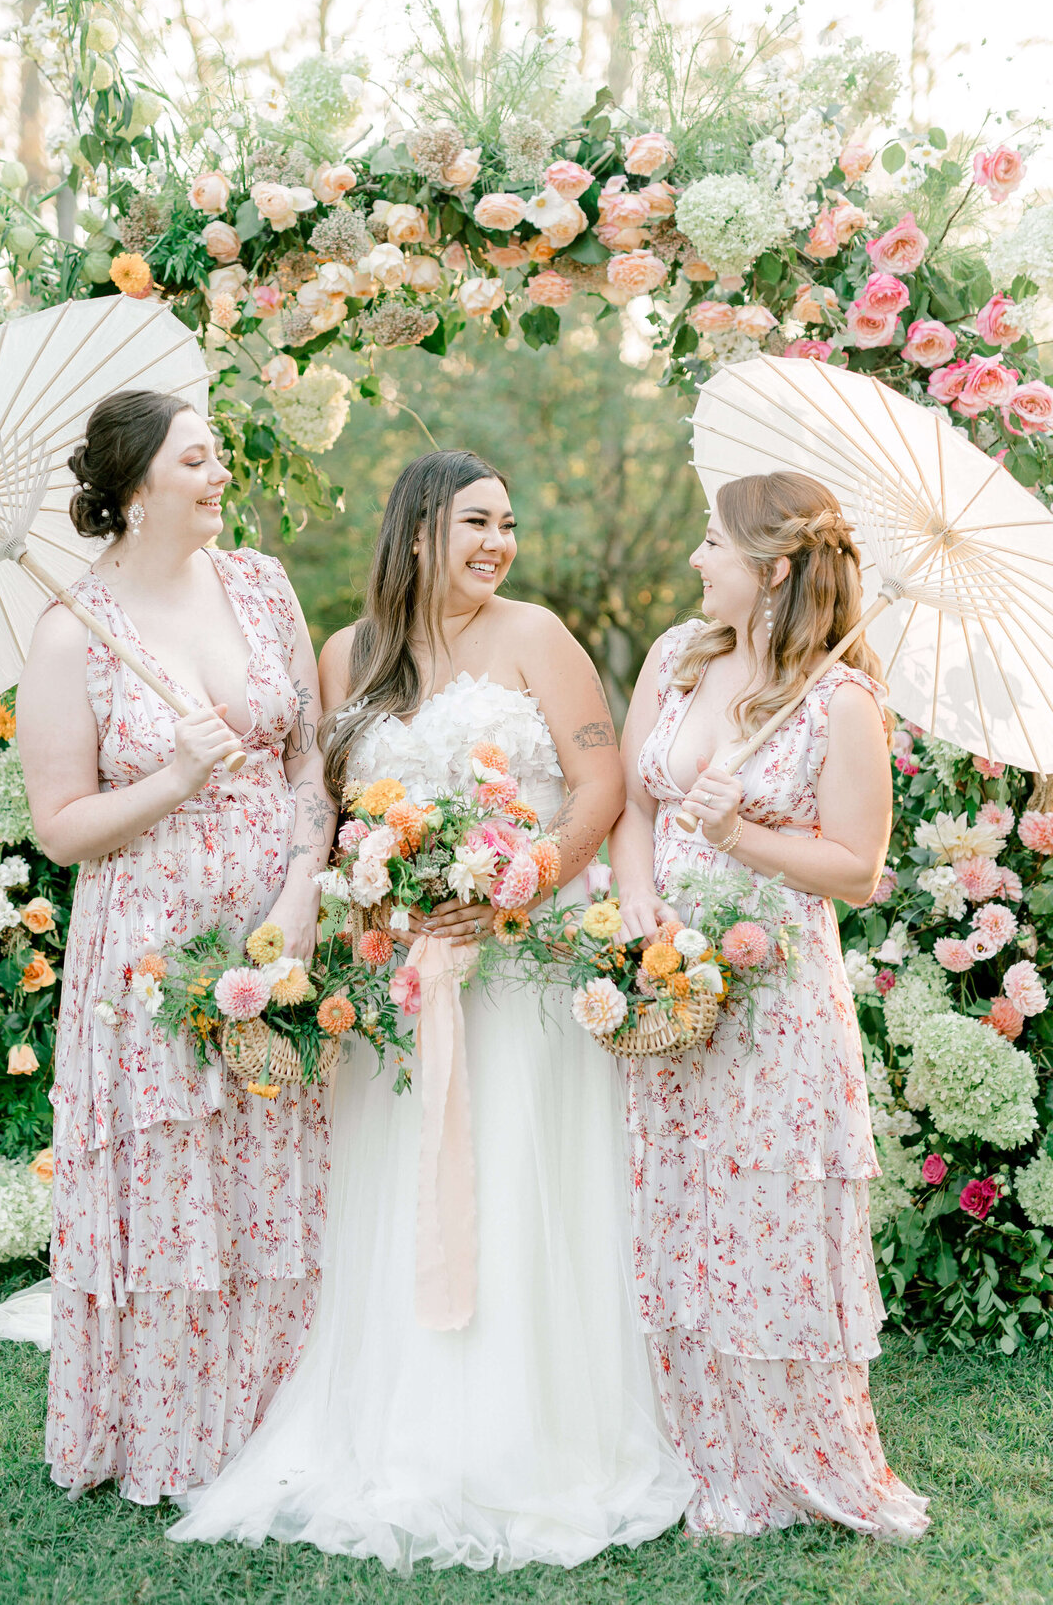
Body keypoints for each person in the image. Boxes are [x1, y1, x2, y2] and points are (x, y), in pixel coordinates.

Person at [168, 448, 693, 1570]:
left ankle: (537, 1431)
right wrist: (360, 891)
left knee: (520, 1182)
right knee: (402, 1192)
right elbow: (334, 808)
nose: (498, 544)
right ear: (416, 533)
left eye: (506, 522)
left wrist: (522, 882)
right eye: (475, 523)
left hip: (525, 968)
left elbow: (602, 785)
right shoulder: (346, 654)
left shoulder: (537, 636)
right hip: (402, 977)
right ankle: (398, 1425)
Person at [15, 388, 334, 1505]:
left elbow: (309, 762)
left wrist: (301, 889)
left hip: (272, 917)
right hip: (147, 944)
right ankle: (181, 1428)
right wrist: (174, 778)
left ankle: (293, 1407)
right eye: (196, 459)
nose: (218, 474)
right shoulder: (70, 631)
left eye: (217, 455)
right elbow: (61, 827)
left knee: (276, 1154)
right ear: (139, 484)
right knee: (177, 1176)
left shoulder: (260, 583)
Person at [609, 470, 929, 1540]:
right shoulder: (675, 658)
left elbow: (856, 866)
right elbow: (634, 808)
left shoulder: (841, 701)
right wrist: (641, 908)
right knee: (673, 1214)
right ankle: (681, 1444)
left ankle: (786, 1456)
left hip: (777, 999)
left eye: (713, 543)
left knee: (767, 1226)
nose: (697, 559)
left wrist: (740, 833)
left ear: (773, 568)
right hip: (667, 989)